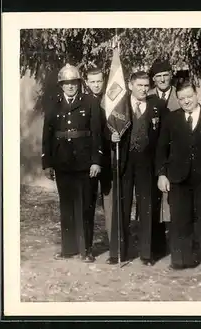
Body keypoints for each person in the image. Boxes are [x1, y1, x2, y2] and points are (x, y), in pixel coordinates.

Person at [156, 79, 201, 275]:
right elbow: (162, 149)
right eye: (182, 98)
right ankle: (181, 259)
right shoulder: (171, 119)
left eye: (189, 97)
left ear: (197, 96)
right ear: (178, 99)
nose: (186, 101)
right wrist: (162, 174)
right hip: (179, 177)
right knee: (179, 219)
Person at [41, 63, 103, 263]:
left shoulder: (89, 102)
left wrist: (96, 161)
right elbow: (47, 135)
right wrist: (47, 162)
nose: (70, 86)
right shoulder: (53, 103)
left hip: (85, 164)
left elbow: (97, 134)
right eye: (66, 83)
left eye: (74, 82)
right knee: (66, 205)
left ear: (79, 83)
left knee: (86, 206)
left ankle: (86, 250)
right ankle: (68, 248)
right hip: (62, 163)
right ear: (61, 85)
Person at [107, 71, 169, 265]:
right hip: (125, 162)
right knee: (121, 207)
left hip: (147, 163)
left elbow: (162, 140)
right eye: (139, 85)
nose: (143, 89)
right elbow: (106, 127)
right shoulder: (120, 103)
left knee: (147, 207)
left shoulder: (157, 106)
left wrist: (160, 169)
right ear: (131, 85)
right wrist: (111, 138)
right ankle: (118, 253)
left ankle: (146, 254)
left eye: (146, 85)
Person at [148, 59, 180, 228]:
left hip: (175, 152)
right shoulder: (147, 95)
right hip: (151, 154)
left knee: (173, 197)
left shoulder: (180, 95)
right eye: (158, 76)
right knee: (152, 198)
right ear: (153, 79)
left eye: (165, 75)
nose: (161, 79)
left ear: (171, 75)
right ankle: (157, 242)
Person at [85, 67, 114, 244]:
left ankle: (113, 243)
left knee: (110, 201)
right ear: (87, 83)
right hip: (89, 160)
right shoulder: (83, 101)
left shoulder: (111, 100)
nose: (96, 85)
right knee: (87, 201)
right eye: (92, 82)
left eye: (99, 81)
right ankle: (86, 244)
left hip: (109, 157)